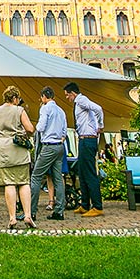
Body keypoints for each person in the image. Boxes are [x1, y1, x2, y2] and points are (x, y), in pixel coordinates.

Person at [0, 85, 36, 229]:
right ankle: (27, 215)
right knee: (23, 182)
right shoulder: (19, 110)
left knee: (9, 184)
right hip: (18, 150)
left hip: (1, 150)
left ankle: (12, 218)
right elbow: (30, 129)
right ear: (15, 98)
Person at [63, 82, 105, 218]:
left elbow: (98, 108)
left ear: (72, 93)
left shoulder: (81, 100)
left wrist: (100, 126)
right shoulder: (78, 103)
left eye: (67, 95)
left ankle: (97, 206)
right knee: (82, 172)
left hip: (88, 139)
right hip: (83, 139)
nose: (67, 98)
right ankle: (85, 204)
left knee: (89, 173)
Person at [30, 86, 67, 221]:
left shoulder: (45, 108)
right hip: (59, 146)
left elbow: (40, 127)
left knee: (36, 176)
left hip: (48, 146)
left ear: (44, 97)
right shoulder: (61, 111)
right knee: (58, 179)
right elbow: (64, 132)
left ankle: (31, 212)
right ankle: (59, 211)